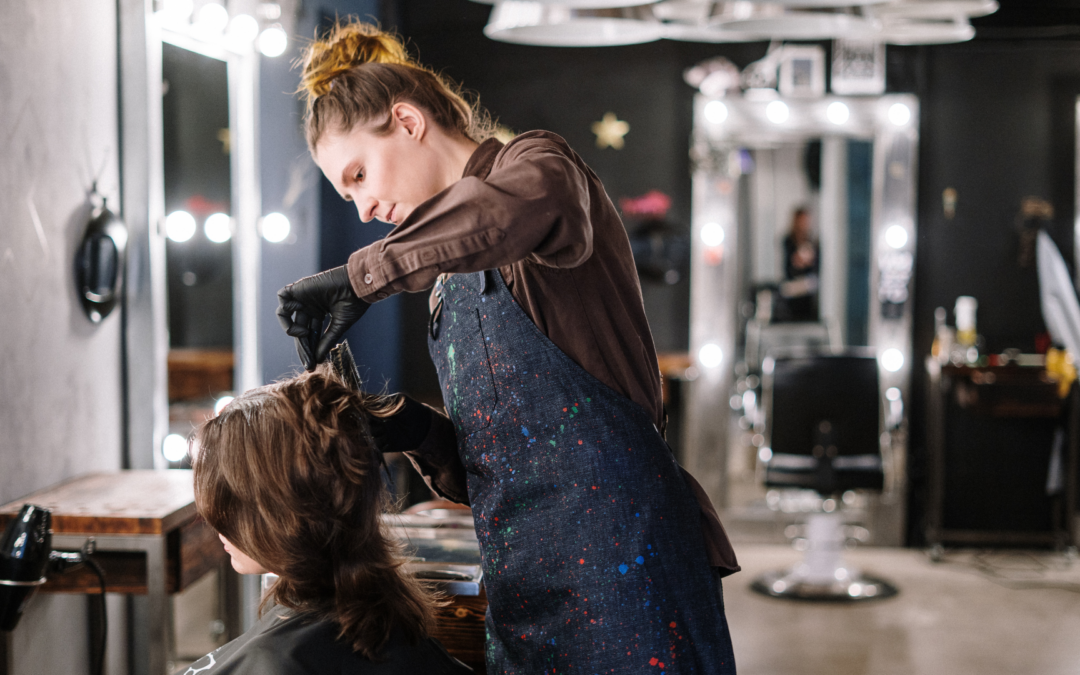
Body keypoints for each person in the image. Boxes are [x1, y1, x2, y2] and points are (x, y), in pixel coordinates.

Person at [276, 21, 739, 674]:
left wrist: (364, 274)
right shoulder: (445, 282)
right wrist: (411, 426)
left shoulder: (540, 169)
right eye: (346, 194)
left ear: (407, 121)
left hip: (630, 576)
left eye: (358, 174)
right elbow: (500, 470)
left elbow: (517, 210)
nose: (364, 209)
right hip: (523, 593)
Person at [184, 365, 473, 675]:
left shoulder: (282, 661)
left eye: (229, 504)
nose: (215, 523)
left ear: (281, 513)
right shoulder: (388, 619)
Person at [779, 206, 820, 322]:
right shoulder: (788, 240)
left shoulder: (812, 241)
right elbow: (790, 265)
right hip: (792, 290)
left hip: (808, 291)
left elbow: (814, 266)